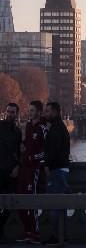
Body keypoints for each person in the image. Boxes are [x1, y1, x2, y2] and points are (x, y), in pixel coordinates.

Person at [15, 101, 47, 244]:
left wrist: (32, 157)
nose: (30, 113)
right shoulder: (28, 126)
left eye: (33, 110)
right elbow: (27, 143)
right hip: (24, 167)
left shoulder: (42, 128)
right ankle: (27, 230)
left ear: (39, 112)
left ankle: (36, 232)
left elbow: (45, 151)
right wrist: (23, 148)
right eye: (30, 110)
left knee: (32, 200)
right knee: (21, 198)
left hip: (34, 169)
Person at [42, 102, 70, 246]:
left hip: (57, 171)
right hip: (62, 169)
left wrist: (46, 165)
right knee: (61, 205)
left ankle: (57, 236)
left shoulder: (56, 129)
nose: (45, 114)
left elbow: (52, 150)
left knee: (55, 204)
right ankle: (62, 235)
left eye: (47, 111)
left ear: (55, 112)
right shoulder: (60, 127)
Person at [0, 103, 22, 243]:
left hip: (11, 170)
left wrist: (17, 167)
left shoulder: (18, 131)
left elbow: (19, 152)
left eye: (13, 112)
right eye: (8, 112)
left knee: (10, 203)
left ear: (16, 114)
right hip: (0, 169)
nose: (10, 114)